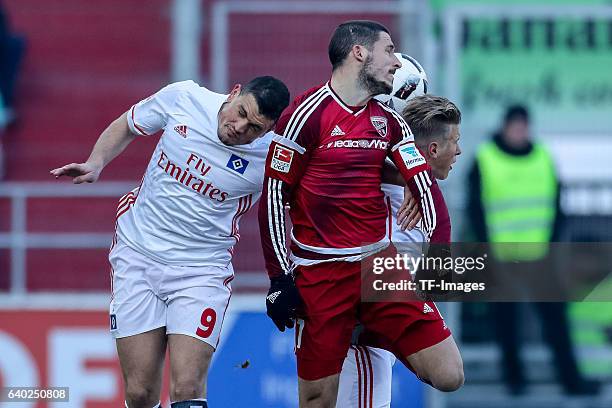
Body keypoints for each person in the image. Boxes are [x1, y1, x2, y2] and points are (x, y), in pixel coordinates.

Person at [51, 76, 290, 408]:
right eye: (240, 112)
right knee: (139, 392)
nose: (239, 127)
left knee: (188, 386)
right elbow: (128, 124)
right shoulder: (185, 98)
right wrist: (96, 162)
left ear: (267, 132)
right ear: (234, 93)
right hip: (138, 254)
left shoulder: (272, 156)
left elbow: (313, 194)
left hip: (201, 271)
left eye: (254, 127)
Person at [258, 20, 462, 407]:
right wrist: (279, 278)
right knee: (318, 400)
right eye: (388, 52)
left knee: (450, 374)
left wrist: (416, 191)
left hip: (378, 267)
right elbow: (272, 196)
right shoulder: (305, 116)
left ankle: (377, 330)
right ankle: (364, 331)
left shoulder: (390, 123)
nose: (394, 63)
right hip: (320, 273)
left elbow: (423, 180)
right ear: (359, 53)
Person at [337, 94, 463, 407]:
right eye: (456, 141)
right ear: (432, 149)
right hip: (375, 305)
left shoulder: (422, 188)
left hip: (381, 317)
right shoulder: (379, 172)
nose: (459, 150)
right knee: (449, 373)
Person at [466, 104, 599, 395]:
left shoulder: (542, 157)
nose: (520, 131)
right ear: (505, 127)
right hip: (501, 255)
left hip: (540, 254)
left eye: (523, 126)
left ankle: (571, 381)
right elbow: (476, 209)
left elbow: (557, 203)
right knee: (506, 324)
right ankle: (514, 381)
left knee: (556, 323)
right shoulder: (486, 159)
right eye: (515, 126)